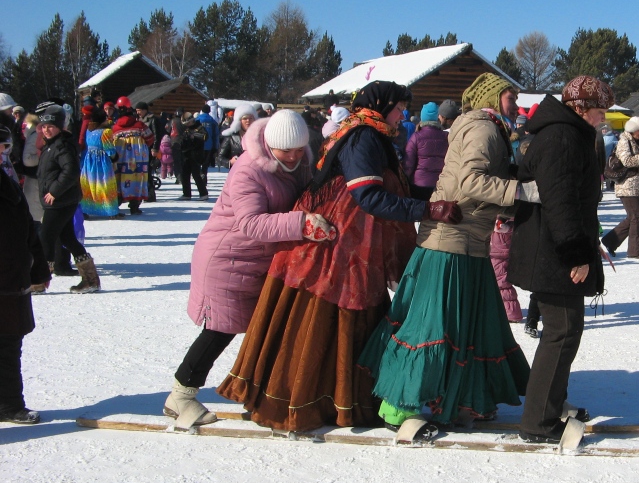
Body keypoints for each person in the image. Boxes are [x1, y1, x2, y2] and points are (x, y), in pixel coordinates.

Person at [218, 82, 460, 433]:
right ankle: (309, 399)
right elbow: (369, 197)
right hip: (338, 244)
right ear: (381, 105)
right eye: (398, 108)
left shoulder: (370, 133)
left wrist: (437, 196)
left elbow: (395, 187)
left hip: (351, 240)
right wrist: (429, 209)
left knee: (346, 317)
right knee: (325, 318)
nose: (402, 115)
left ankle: (345, 397)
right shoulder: (363, 136)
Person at [359, 72, 529, 435]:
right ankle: (397, 407)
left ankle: (464, 399)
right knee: (431, 325)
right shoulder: (483, 128)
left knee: (470, 327)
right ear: (492, 99)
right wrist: (524, 192)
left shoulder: (489, 128)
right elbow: (470, 182)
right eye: (510, 97)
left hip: (468, 241)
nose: (516, 104)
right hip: (450, 243)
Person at [164, 110, 326, 427]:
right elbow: (251, 223)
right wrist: (302, 223)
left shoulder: (300, 162)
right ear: (269, 144)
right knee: (219, 330)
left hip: (259, 261)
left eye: (298, 150)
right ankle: (180, 397)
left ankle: (263, 397)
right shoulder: (248, 170)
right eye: (286, 150)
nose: (293, 157)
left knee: (267, 328)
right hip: (226, 259)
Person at [509, 75, 614, 443]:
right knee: (561, 331)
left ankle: (550, 406)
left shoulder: (569, 133)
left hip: (553, 247)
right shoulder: (561, 137)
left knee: (566, 331)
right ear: (581, 108)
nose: (603, 118)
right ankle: (538, 421)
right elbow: (560, 201)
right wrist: (575, 254)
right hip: (551, 250)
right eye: (600, 111)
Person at [0, 167, 50, 424]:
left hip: (11, 279)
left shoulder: (7, 185)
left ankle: (8, 404)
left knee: (8, 345)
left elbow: (27, 229)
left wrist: (38, 269)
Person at [36, 103, 100, 293]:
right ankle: (90, 280)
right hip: (60, 200)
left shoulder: (62, 146)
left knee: (45, 237)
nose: (46, 130)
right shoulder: (51, 146)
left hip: (61, 200)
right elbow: (48, 172)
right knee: (69, 239)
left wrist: (54, 191)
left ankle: (39, 280)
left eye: (51, 127)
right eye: (44, 127)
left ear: (60, 127)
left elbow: (71, 171)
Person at [602, 116, 639, 259]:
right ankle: (635, 251)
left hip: (633, 184)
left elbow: (638, 164)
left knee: (633, 217)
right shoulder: (624, 141)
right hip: (626, 184)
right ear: (633, 129)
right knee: (637, 217)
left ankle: (610, 240)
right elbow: (627, 161)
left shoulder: (636, 142)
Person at [111, 103, 153, 215]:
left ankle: (117, 202)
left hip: (120, 160)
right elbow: (150, 138)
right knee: (137, 180)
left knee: (119, 179)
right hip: (137, 160)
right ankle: (134, 206)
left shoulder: (115, 127)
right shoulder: (140, 125)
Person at [78, 106, 118, 219]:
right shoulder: (106, 131)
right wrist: (114, 157)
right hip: (102, 160)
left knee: (89, 184)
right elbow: (109, 149)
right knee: (105, 183)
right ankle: (110, 210)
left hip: (88, 160)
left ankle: (86, 209)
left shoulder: (88, 131)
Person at [402, 100, 448, 195]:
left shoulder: (416, 137)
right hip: (441, 184)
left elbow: (408, 164)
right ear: (437, 117)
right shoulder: (446, 137)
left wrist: (404, 180)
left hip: (419, 184)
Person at [177, 112, 209, 200]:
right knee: (185, 175)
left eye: (187, 123)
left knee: (196, 175)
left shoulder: (200, 127)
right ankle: (186, 194)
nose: (186, 125)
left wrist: (193, 136)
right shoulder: (186, 129)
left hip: (196, 155)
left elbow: (205, 137)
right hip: (186, 155)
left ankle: (203, 193)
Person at [217, 103, 257, 169]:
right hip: (237, 174)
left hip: (255, 174)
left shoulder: (260, 137)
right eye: (245, 118)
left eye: (251, 118)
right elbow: (219, 158)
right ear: (239, 121)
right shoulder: (231, 137)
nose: (248, 121)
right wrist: (230, 162)